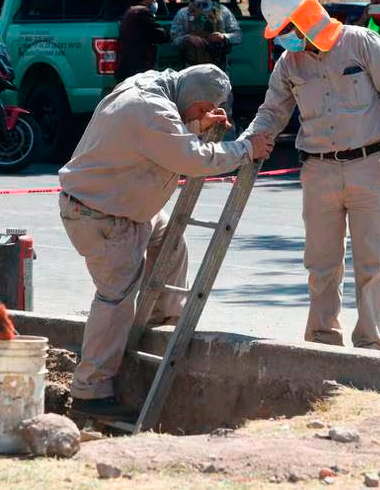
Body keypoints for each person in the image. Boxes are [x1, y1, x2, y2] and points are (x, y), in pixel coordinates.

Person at [58, 64, 274, 419]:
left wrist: (195, 123)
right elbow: (191, 158)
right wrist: (246, 149)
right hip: (102, 216)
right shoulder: (151, 109)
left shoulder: (154, 86)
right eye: (202, 109)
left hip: (123, 208)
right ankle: (90, 390)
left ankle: (163, 316)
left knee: (171, 242)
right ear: (190, 95)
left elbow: (167, 135)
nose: (205, 116)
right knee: (116, 298)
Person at [239, 0, 380, 351]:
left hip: (368, 164)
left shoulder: (361, 43)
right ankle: (322, 339)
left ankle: (370, 341)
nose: (282, 39)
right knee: (321, 263)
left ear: (304, 20)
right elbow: (272, 111)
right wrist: (249, 142)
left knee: (373, 261)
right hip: (318, 171)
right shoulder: (289, 63)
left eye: (285, 30)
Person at [170, 0, 242, 71]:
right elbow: (174, 42)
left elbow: (238, 36)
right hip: (191, 68)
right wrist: (188, 38)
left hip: (218, 68)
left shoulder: (222, 11)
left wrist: (224, 37)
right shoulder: (183, 14)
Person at [114, 0, 171, 82]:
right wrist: (168, 34)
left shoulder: (130, 12)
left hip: (127, 65)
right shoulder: (143, 12)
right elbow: (158, 34)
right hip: (139, 67)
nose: (155, 3)